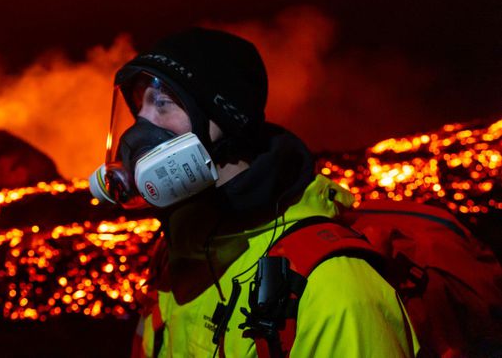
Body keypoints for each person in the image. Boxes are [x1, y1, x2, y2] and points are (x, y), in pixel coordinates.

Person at [89, 27, 420, 357]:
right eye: (139, 109)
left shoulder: (333, 291)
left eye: (162, 103)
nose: (139, 129)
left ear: (225, 119)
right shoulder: (176, 257)